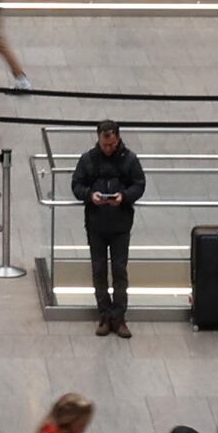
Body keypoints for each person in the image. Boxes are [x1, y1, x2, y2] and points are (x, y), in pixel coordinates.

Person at [70, 121, 144, 338]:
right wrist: (89, 196)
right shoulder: (88, 159)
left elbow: (139, 184)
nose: (108, 148)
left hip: (120, 225)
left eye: (111, 144)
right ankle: (105, 314)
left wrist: (124, 197)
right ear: (99, 139)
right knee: (99, 270)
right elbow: (76, 185)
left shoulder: (129, 159)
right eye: (105, 144)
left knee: (120, 271)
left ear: (118, 139)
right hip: (96, 225)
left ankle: (119, 317)